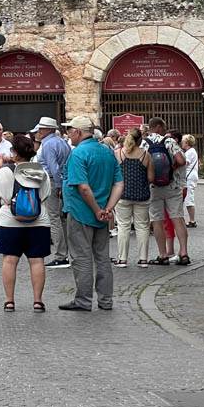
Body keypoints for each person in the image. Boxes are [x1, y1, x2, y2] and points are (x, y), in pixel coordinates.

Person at [60, 116, 123, 312]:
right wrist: (108, 209)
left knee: (82, 257)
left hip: (81, 212)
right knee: (102, 257)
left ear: (78, 132)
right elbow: (119, 183)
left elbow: (83, 188)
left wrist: (96, 210)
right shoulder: (107, 152)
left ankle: (83, 300)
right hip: (102, 214)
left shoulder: (78, 154)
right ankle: (106, 300)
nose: (68, 133)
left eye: (70, 130)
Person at [0, 134, 52, 312]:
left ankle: (9, 301)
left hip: (9, 222)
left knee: (10, 261)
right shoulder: (41, 171)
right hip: (38, 221)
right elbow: (45, 194)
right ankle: (37, 300)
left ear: (16, 153)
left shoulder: (5, 171)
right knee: (37, 261)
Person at [144, 117, 188, 265]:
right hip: (171, 186)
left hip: (153, 188)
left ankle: (162, 255)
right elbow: (181, 161)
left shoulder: (144, 143)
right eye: (163, 127)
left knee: (157, 221)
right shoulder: (169, 142)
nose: (164, 130)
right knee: (178, 219)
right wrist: (171, 169)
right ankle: (183, 253)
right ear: (157, 127)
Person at [33, 117, 72, 269]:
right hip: (61, 182)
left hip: (52, 182)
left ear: (47, 129)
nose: (38, 132)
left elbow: (53, 167)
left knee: (54, 218)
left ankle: (61, 254)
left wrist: (58, 185)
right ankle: (67, 252)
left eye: (41, 129)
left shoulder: (48, 144)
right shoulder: (62, 142)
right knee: (62, 219)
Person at [114, 127, 153, 267]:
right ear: (140, 139)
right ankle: (143, 259)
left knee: (123, 226)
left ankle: (122, 259)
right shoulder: (145, 155)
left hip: (122, 195)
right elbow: (151, 177)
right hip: (141, 195)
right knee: (142, 226)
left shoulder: (118, 153)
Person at [182, 135, 199, 228]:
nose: (182, 143)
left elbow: (184, 163)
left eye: (183, 141)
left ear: (187, 143)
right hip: (190, 177)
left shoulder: (190, 152)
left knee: (189, 199)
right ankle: (191, 219)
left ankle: (192, 220)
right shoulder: (191, 151)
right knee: (188, 198)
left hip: (189, 178)